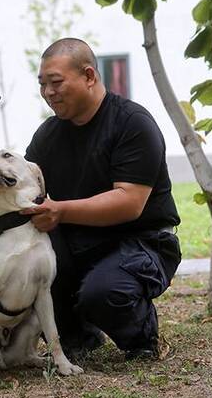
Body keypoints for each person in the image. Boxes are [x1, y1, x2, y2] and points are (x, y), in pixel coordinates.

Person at [22, 38, 182, 361]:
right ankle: (78, 338)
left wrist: (61, 211)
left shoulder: (132, 124)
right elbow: (25, 190)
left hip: (142, 242)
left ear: (90, 76)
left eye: (56, 82)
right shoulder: (47, 135)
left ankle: (144, 338)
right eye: (43, 84)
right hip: (78, 242)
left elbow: (129, 201)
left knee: (104, 292)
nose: (49, 92)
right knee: (27, 262)